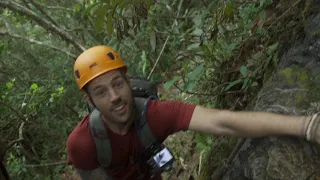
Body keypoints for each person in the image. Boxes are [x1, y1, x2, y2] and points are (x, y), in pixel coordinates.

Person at [66, 45, 320, 180]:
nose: (114, 98)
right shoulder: (83, 144)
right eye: (101, 92)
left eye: (118, 84)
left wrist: (307, 126)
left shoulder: (155, 115)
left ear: (129, 81)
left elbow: (223, 123)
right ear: (89, 100)